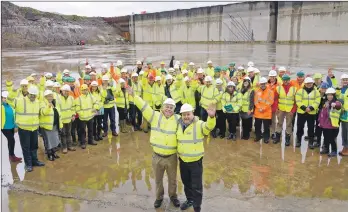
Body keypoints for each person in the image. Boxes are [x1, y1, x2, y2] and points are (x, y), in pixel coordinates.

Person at [128, 88, 181, 209]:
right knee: (158, 180)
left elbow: (190, 121)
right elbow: (144, 106)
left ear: (174, 109)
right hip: (157, 156)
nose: (168, 109)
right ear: (162, 107)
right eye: (166, 106)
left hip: (172, 156)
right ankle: (159, 197)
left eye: (171, 107)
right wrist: (134, 96)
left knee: (173, 180)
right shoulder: (154, 116)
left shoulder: (178, 119)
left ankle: (173, 196)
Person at [177, 103, 216, 212]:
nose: (186, 117)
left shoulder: (199, 124)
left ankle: (196, 207)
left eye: (188, 114)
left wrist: (211, 117)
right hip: (183, 161)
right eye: (184, 114)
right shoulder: (178, 125)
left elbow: (208, 127)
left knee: (196, 187)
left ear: (192, 113)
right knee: (186, 183)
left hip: (195, 163)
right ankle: (190, 200)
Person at [13, 86, 45, 172]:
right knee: (26, 147)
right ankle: (28, 164)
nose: (33, 97)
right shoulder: (20, 100)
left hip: (34, 128)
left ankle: (35, 161)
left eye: (34, 95)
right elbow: (10, 101)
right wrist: (11, 89)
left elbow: (41, 112)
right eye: (31, 95)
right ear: (28, 93)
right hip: (23, 129)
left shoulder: (37, 102)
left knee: (34, 146)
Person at [295, 77, 321, 148]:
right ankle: (298, 141)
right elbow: (298, 101)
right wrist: (304, 108)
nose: (309, 84)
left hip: (311, 112)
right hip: (301, 112)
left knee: (311, 128)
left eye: (310, 83)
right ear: (305, 84)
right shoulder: (300, 91)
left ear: (313, 83)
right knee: (300, 127)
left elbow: (317, 101)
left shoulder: (316, 92)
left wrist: (311, 108)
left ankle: (311, 142)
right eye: (308, 83)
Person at [273, 75, 296, 146]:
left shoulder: (294, 89)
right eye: (284, 80)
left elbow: (296, 101)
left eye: (287, 80)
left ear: (289, 80)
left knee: (289, 124)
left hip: (290, 110)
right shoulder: (278, 88)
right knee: (279, 123)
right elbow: (275, 99)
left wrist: (293, 110)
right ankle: (277, 137)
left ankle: (287, 139)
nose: (286, 81)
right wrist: (277, 108)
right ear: (282, 80)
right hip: (281, 109)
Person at [40, 90, 63, 161]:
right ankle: (49, 154)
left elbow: (58, 113)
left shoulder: (54, 102)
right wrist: (48, 107)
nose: (50, 97)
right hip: (47, 126)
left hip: (55, 125)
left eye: (51, 96)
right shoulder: (42, 103)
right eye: (48, 96)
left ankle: (54, 152)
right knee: (48, 141)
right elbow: (43, 113)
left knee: (55, 140)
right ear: (45, 97)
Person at [318, 88, 341, 157]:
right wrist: (320, 121)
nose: (329, 96)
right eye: (328, 95)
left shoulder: (337, 102)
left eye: (331, 95)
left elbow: (338, 106)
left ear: (334, 95)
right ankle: (326, 149)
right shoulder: (326, 103)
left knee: (331, 138)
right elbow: (322, 113)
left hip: (332, 124)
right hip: (325, 124)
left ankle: (334, 151)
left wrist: (335, 104)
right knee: (326, 137)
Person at [75, 84, 100, 149]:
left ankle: (90, 140)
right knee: (82, 131)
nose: (85, 91)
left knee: (90, 130)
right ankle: (83, 143)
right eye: (83, 90)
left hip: (90, 117)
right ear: (81, 91)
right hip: (82, 118)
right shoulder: (79, 99)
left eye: (86, 90)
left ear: (87, 90)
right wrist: (82, 114)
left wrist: (95, 108)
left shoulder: (91, 97)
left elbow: (96, 102)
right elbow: (77, 108)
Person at [1, 91, 22, 162]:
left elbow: (15, 116)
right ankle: (12, 155)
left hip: (12, 127)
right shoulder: (1, 106)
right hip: (4, 128)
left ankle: (10, 155)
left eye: (6, 98)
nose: (5, 99)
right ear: (1, 99)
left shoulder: (11, 106)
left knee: (10, 141)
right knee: (12, 140)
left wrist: (16, 126)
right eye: (4, 98)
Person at [254, 77, 274, 143]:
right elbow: (255, 101)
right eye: (261, 84)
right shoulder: (257, 91)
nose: (263, 85)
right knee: (257, 126)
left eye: (264, 84)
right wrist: (259, 108)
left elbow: (270, 101)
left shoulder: (270, 92)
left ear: (266, 84)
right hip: (258, 112)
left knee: (266, 127)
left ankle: (266, 137)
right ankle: (258, 136)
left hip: (266, 112)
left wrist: (263, 108)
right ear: (260, 84)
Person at [58, 84, 76, 153]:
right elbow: (58, 109)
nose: (66, 92)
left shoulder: (71, 98)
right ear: (62, 91)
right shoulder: (58, 98)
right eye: (65, 91)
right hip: (62, 120)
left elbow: (73, 107)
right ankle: (64, 147)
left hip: (69, 119)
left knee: (69, 133)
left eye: (67, 91)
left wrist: (73, 115)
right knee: (63, 134)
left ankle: (70, 146)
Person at [267, 70, 280, 140]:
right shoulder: (266, 84)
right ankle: (267, 131)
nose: (272, 78)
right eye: (271, 76)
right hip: (266, 104)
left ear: (275, 77)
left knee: (273, 119)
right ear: (269, 77)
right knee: (266, 119)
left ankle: (272, 132)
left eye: (273, 76)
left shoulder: (278, 85)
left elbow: (280, 95)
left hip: (274, 104)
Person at [338, 74, 348, 156]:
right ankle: (345, 147)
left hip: (347, 114)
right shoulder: (341, 90)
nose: (345, 81)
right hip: (343, 115)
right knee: (344, 132)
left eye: (346, 79)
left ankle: (346, 148)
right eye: (343, 80)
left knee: (346, 132)